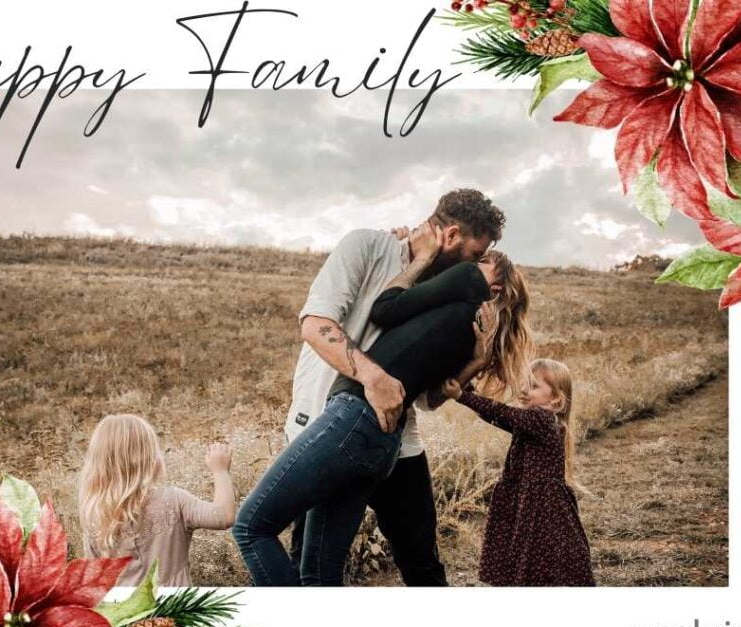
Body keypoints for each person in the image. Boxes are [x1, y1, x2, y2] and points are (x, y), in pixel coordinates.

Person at [233, 249, 532, 586]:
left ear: (492, 285)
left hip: (354, 418)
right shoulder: (466, 327)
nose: (470, 265)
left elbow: (383, 307)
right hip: (384, 443)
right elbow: (432, 398)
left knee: (251, 527)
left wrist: (420, 260)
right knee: (318, 571)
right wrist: (476, 363)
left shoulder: (466, 281)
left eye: (481, 263)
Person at [281, 189, 507, 586]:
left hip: (396, 439)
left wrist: (476, 360)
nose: (473, 270)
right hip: (324, 424)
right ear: (451, 235)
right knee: (310, 563)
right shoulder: (366, 245)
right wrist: (373, 377)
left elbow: (429, 399)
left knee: (421, 559)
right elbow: (315, 325)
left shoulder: (444, 291)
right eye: (474, 255)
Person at [442, 358, 596, 586]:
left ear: (556, 399)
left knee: (543, 551)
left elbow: (502, 413)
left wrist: (462, 397)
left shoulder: (541, 419)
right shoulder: (531, 421)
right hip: (530, 500)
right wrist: (467, 390)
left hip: (542, 505)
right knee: (535, 551)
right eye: (524, 383)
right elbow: (495, 416)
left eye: (534, 386)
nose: (524, 389)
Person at [77, 414, 236, 587]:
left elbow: (93, 580)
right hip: (175, 609)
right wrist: (220, 471)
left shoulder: (95, 514)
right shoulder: (173, 500)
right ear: (148, 457)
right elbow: (224, 516)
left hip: (126, 612)